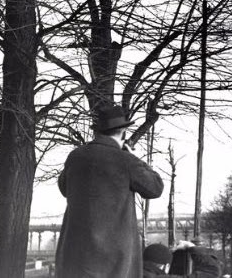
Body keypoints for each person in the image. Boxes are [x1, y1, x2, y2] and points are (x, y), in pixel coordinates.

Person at [55, 104, 164, 278]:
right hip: (113, 259)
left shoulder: (75, 156)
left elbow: (64, 188)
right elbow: (155, 188)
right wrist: (133, 157)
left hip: (75, 253)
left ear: (97, 132)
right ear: (123, 132)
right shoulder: (125, 160)